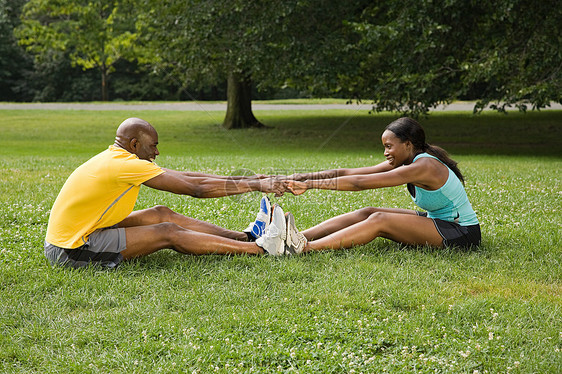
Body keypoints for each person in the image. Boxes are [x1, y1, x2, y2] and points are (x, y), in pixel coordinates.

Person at [44, 117, 293, 269]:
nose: (157, 152)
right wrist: (257, 185)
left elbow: (186, 177)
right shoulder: (124, 165)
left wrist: (251, 179)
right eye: (153, 146)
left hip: (85, 232)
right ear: (134, 145)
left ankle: (247, 237)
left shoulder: (118, 157)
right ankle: (261, 249)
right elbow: (196, 189)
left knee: (160, 213)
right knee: (168, 232)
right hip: (71, 250)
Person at [282, 117, 481, 254]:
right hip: (437, 220)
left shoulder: (424, 166)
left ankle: (306, 247)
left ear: (408, 144)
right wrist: (304, 177)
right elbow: (351, 173)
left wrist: (310, 185)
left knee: (379, 220)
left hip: (461, 232)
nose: (385, 152)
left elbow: (359, 183)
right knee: (367, 212)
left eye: (388, 146)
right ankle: (296, 237)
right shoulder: (410, 161)